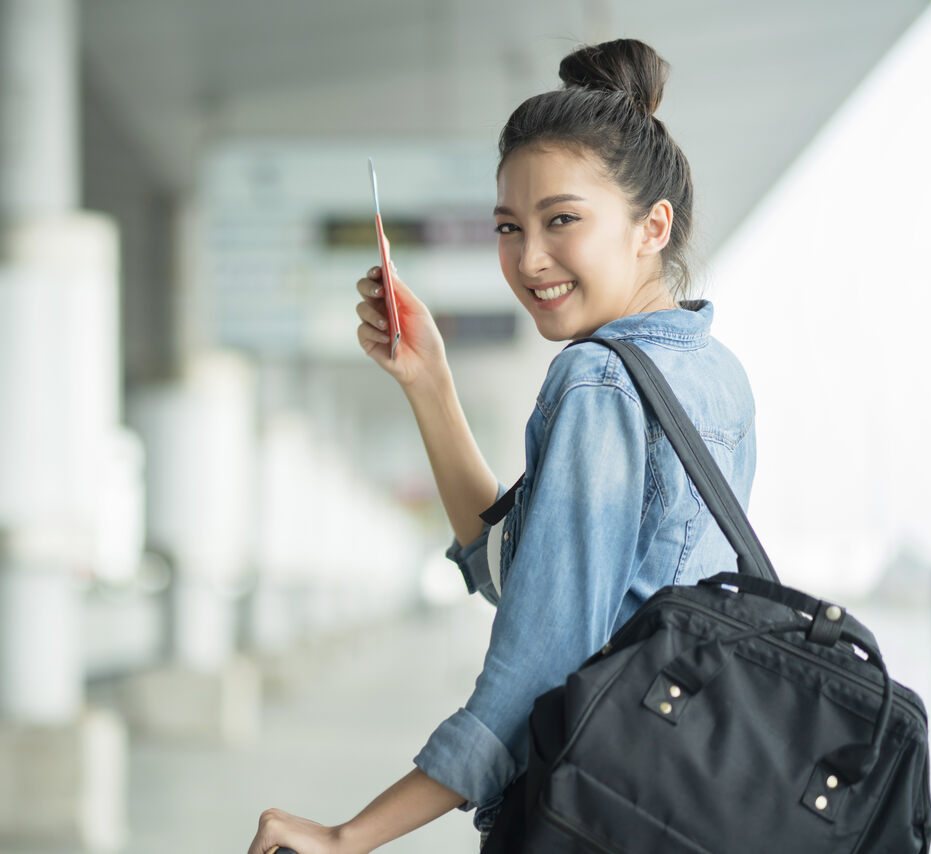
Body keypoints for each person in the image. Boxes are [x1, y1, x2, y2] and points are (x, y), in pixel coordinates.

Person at [247, 37, 755, 854]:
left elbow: (535, 672)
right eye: (508, 227)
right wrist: (429, 381)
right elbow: (530, 580)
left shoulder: (598, 381)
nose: (529, 259)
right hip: (682, 801)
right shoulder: (712, 372)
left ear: (651, 226)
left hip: (593, 812)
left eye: (562, 221)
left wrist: (348, 836)